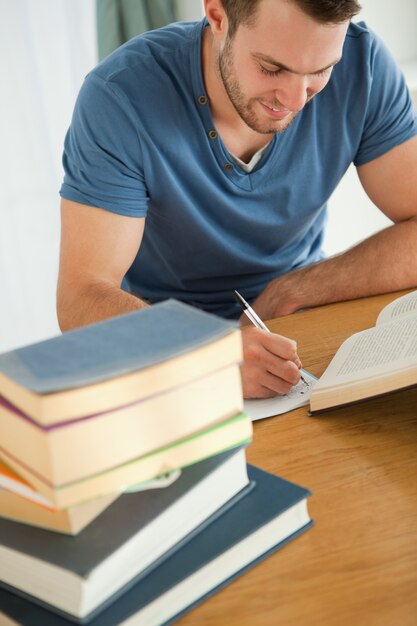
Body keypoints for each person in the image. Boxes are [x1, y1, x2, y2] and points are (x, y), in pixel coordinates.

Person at [57, 0, 417, 399]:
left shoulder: (364, 64)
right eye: (271, 68)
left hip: (296, 323)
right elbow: (81, 298)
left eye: (320, 71)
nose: (297, 100)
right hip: (163, 347)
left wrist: (297, 289)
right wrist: (208, 353)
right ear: (217, 16)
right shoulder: (120, 97)